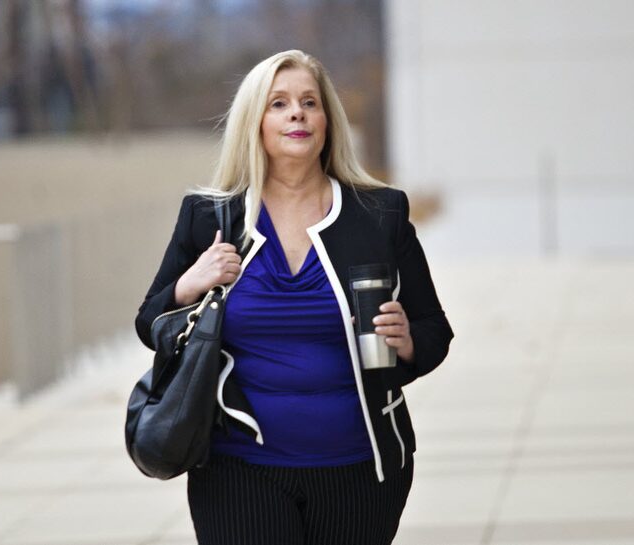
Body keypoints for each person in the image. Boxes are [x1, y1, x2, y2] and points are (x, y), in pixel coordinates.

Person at [134, 49, 453, 545]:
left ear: (327, 121)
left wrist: (408, 341)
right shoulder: (210, 218)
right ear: (254, 122)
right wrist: (188, 283)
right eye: (278, 103)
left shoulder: (379, 214)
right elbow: (150, 322)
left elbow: (434, 329)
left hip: (359, 470)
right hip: (237, 469)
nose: (297, 113)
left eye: (309, 102)